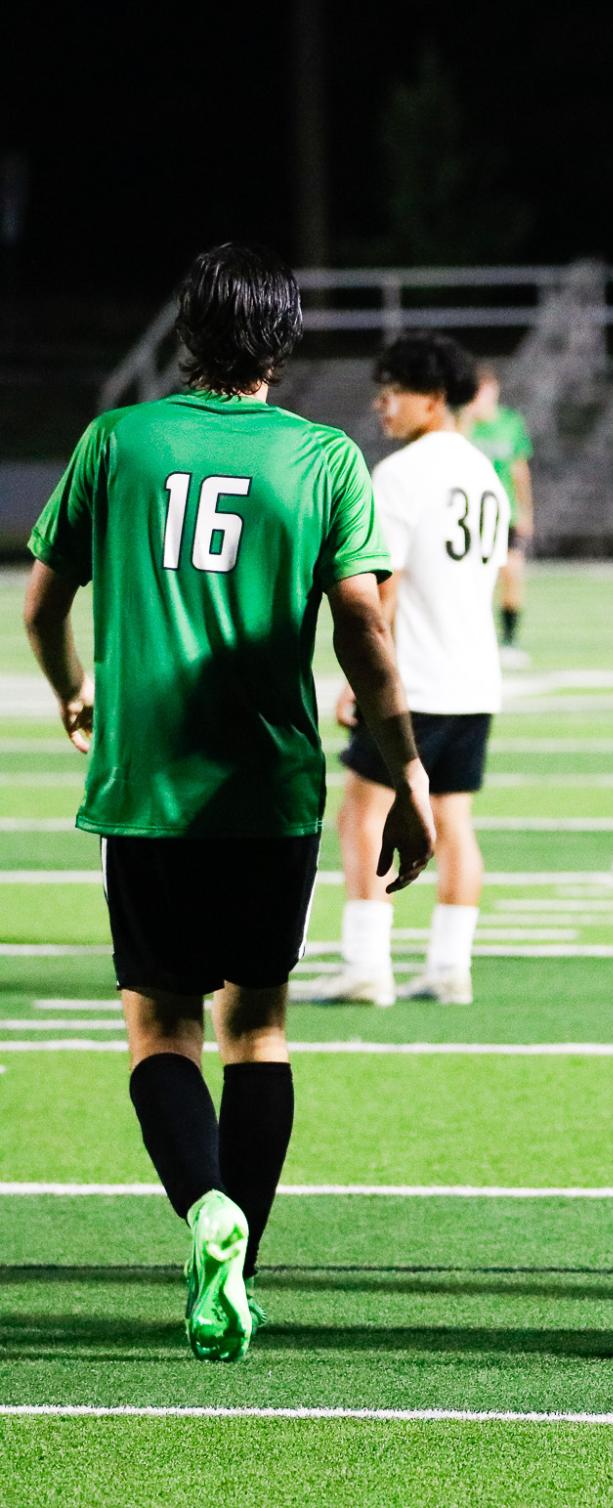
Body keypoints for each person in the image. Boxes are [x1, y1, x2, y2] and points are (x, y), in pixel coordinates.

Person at [20, 243, 434, 1362]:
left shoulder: (121, 439)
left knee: (161, 1027)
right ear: (284, 342)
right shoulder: (325, 459)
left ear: (188, 331)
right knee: (258, 1027)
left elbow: (40, 604)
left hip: (144, 784)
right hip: (270, 787)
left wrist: (76, 694)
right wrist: (408, 774)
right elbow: (367, 632)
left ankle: (199, 1205)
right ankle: (236, 1260)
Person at [309, 332, 509, 1007]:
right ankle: (451, 966)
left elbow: (380, 586)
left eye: (392, 391)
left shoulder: (400, 474)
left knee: (361, 814)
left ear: (430, 398)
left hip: (415, 679)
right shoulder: (485, 471)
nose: (381, 404)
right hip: (473, 679)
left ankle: (367, 964)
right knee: (453, 822)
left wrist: (357, 680)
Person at [463, 366, 534, 666]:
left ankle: (509, 640)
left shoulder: (510, 422)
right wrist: (465, 418)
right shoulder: (463, 425)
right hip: (470, 515)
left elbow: (519, 468)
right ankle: (472, 640)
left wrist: (527, 510)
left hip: (505, 514)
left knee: (513, 573)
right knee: (473, 581)